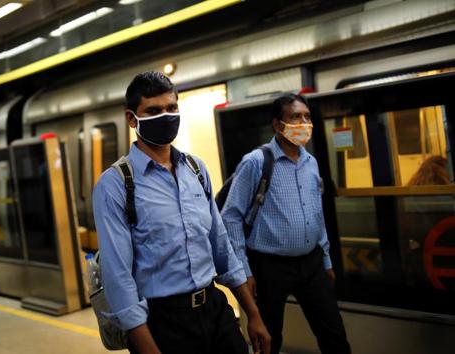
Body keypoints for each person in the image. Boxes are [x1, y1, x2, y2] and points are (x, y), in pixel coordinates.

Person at [92, 71, 271, 354]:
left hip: (214, 309)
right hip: (162, 322)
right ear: (131, 118)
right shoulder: (115, 185)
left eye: (171, 108)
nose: (165, 116)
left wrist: (253, 314)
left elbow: (221, 247)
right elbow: (119, 278)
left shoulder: (196, 170)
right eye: (153, 110)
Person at [221, 94, 351, 354]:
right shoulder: (256, 162)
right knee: (269, 337)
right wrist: (244, 271)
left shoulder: (311, 162)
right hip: (270, 266)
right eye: (295, 117)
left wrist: (325, 259)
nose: (303, 123)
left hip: (312, 263)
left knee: (333, 333)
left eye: (307, 117)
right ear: (278, 125)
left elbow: (317, 214)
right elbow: (231, 216)